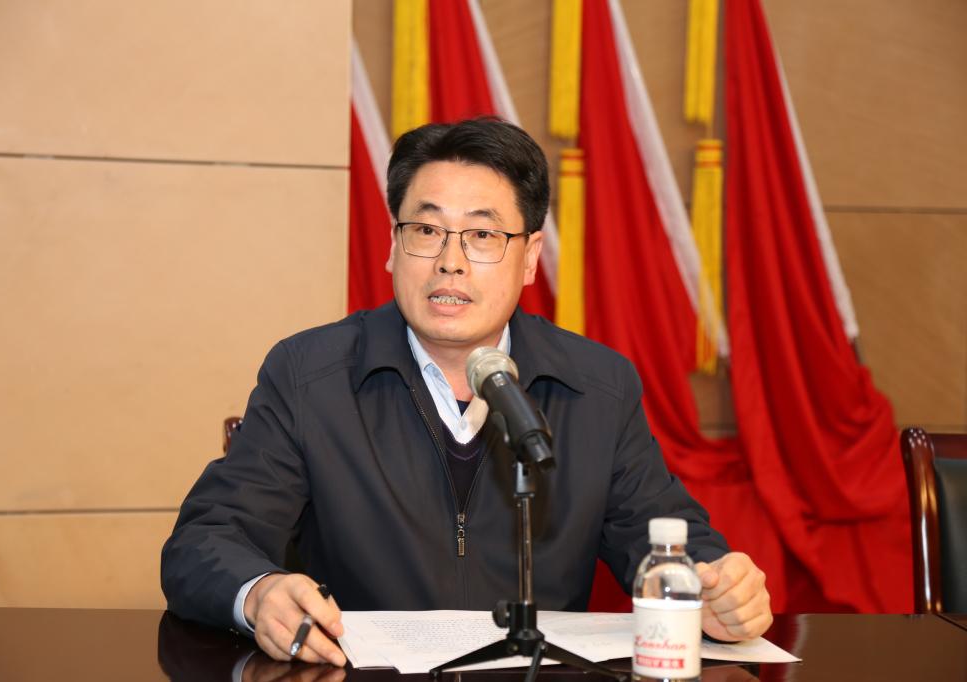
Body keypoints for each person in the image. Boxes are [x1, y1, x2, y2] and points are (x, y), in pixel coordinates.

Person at [161, 118, 772, 667]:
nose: (449, 261)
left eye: (482, 236)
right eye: (427, 229)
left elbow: (667, 539)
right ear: (393, 246)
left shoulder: (597, 387)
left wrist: (718, 588)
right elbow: (206, 540)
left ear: (530, 258)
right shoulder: (309, 374)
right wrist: (259, 593)